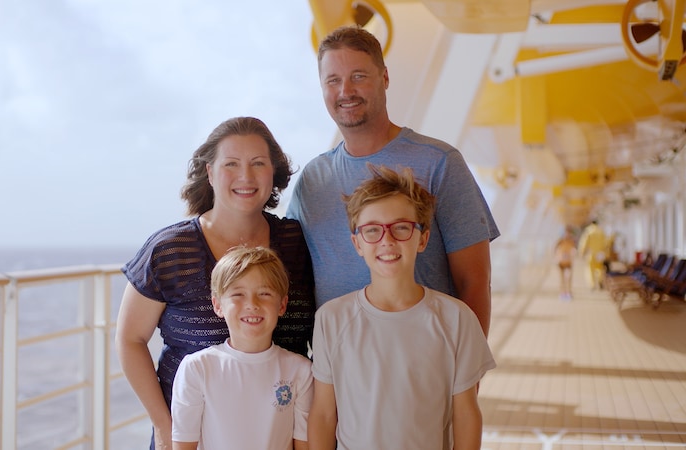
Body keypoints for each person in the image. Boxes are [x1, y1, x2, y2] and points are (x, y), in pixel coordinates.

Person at [115, 117, 315, 450]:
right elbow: (129, 339)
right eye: (231, 164)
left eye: (258, 163)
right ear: (210, 172)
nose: (245, 176)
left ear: (274, 173)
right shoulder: (169, 249)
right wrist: (164, 426)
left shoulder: (297, 243)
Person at [286, 25, 499, 335]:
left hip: (426, 354)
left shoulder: (439, 162)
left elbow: (474, 281)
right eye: (333, 80)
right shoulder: (313, 178)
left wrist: (470, 361)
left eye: (358, 76)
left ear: (384, 78)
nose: (345, 91)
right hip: (338, 360)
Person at [308, 164, 495, 449]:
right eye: (372, 230)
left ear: (423, 238)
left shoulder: (456, 319)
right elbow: (323, 414)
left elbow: (466, 414)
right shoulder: (331, 319)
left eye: (401, 228)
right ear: (357, 243)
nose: (387, 241)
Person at [171, 246, 313, 450]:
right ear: (218, 305)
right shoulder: (197, 368)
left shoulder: (301, 371)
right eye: (238, 294)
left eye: (264, 293)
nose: (252, 304)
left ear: (282, 305)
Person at [578, 219, 608, 290]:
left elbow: (584, 242)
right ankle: (600, 280)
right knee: (600, 268)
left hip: (591, 253)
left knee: (590, 269)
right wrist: (605, 253)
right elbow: (606, 243)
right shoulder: (601, 231)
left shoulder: (589, 231)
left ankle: (592, 284)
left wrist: (581, 252)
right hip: (600, 253)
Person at [554, 227, 578, 300]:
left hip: (566, 261)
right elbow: (555, 248)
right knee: (563, 277)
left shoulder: (567, 240)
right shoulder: (567, 240)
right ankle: (564, 292)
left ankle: (567, 292)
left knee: (567, 277)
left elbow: (555, 248)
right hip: (563, 260)